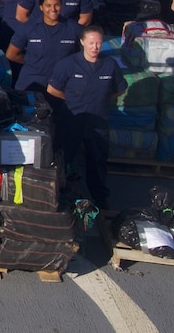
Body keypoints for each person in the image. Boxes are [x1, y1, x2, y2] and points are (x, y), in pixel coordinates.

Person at [46, 26, 126, 210]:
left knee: (97, 160)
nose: (95, 47)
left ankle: (100, 198)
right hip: (72, 118)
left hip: (97, 121)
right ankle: (56, 194)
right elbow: (52, 89)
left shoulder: (110, 65)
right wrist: (72, 100)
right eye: (91, 43)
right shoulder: (67, 64)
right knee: (63, 159)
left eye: (98, 43)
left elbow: (120, 89)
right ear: (82, 42)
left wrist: (102, 99)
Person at [6, 0, 83, 93]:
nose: (53, 9)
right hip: (32, 82)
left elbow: (84, 56)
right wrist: (32, 62)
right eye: (48, 5)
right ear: (41, 7)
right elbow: (11, 54)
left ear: (62, 5)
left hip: (62, 84)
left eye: (57, 5)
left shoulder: (75, 29)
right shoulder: (28, 28)